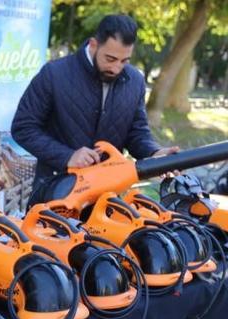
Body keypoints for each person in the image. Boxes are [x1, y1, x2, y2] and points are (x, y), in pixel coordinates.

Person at [11, 14, 178, 206]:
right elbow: (23, 127)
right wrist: (67, 156)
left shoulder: (135, 81)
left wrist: (154, 153)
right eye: (110, 58)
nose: (116, 68)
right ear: (93, 44)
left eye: (124, 61)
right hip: (56, 194)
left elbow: (136, 133)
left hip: (107, 198)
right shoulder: (53, 74)